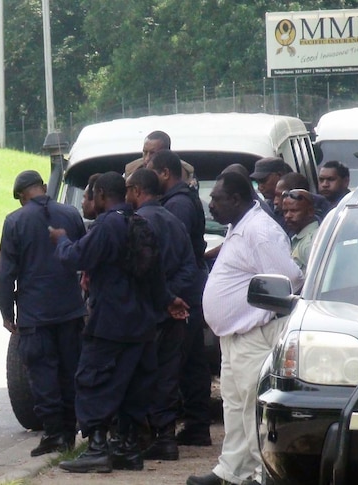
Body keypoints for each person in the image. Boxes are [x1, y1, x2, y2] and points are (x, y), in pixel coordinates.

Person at [49, 171, 187, 474]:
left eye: (90, 194)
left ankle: (98, 448)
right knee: (132, 385)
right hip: (141, 325)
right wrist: (168, 301)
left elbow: (76, 257)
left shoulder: (108, 225)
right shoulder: (141, 223)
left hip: (111, 323)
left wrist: (61, 241)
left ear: (100, 195)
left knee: (92, 380)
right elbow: (156, 276)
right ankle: (126, 448)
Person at [187, 172, 302, 485]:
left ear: (236, 200)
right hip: (233, 336)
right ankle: (232, 470)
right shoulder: (238, 225)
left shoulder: (260, 231)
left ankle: (258, 473)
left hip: (254, 334)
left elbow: (288, 279)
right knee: (234, 405)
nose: (210, 205)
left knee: (252, 406)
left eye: (216, 199)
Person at [0, 170, 86, 457]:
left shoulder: (15, 221)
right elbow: (83, 255)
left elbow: (6, 273)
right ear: (43, 188)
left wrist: (6, 310)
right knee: (70, 369)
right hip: (71, 308)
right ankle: (70, 432)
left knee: (42, 371)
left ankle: (54, 433)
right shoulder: (71, 214)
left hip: (35, 312)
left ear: (22, 197)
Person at [125, 168, 198, 461]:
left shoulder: (138, 222)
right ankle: (166, 437)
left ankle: (142, 437)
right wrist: (173, 298)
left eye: (129, 189)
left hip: (145, 313)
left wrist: (162, 298)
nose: (126, 195)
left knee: (140, 375)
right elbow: (189, 267)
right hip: (172, 313)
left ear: (138, 191)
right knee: (167, 376)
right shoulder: (174, 221)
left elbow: (136, 272)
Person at [147, 150, 212, 447]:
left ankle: (174, 431)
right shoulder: (180, 200)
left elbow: (174, 255)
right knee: (190, 364)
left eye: (150, 166)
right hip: (188, 290)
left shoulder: (177, 206)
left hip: (182, 296)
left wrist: (168, 295)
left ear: (164, 173)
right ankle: (196, 425)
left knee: (176, 366)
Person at [123, 131, 196, 185]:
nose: (147, 159)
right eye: (145, 152)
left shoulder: (183, 176)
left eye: (153, 153)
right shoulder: (132, 172)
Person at [281, 189, 318, 274]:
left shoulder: (310, 242)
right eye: (285, 211)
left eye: (294, 211)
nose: (288, 216)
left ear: (310, 211)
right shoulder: (299, 238)